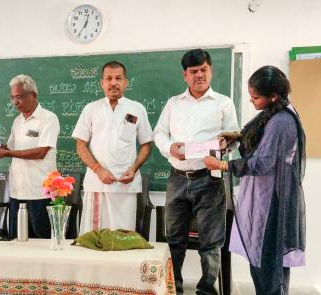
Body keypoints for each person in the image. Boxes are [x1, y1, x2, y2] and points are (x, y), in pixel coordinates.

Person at [204, 66, 306, 295]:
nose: (251, 101)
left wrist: (221, 165)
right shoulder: (275, 111)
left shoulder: (281, 121)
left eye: (255, 97)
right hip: (265, 198)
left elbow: (262, 162)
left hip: (272, 202)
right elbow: (263, 141)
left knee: (268, 262)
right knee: (263, 259)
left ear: (273, 96)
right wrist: (237, 136)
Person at [153, 49, 239, 294]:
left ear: (210, 71)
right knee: (175, 240)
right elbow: (159, 133)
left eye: (204, 70)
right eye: (194, 71)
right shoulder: (173, 103)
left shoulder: (223, 103)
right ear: (185, 75)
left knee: (211, 243)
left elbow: (233, 136)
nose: (199, 75)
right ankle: (174, 288)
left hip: (209, 180)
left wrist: (226, 144)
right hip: (177, 178)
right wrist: (170, 147)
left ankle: (206, 290)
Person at [72, 61, 152, 235]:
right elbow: (80, 144)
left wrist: (133, 168)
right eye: (108, 78)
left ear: (126, 82)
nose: (113, 83)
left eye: (118, 78)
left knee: (122, 237)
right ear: (102, 83)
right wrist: (98, 169)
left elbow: (146, 144)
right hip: (96, 185)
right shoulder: (91, 109)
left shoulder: (137, 108)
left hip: (126, 186)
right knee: (93, 239)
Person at [0, 74, 59, 239]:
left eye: (18, 97)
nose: (14, 102)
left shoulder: (48, 118)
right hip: (17, 192)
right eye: (12, 97)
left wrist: (7, 153)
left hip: (40, 193)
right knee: (17, 242)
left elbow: (41, 152)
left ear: (33, 95)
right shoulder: (18, 121)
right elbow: (11, 147)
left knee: (41, 242)